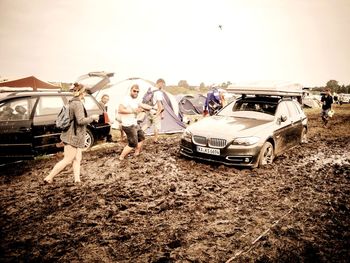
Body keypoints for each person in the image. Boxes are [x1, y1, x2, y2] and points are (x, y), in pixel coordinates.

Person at [44, 83, 99, 184]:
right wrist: (93, 118)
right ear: (81, 92)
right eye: (85, 91)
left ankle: (77, 180)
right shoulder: (77, 104)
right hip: (73, 136)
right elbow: (81, 121)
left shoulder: (72, 102)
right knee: (68, 159)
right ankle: (49, 177)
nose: (86, 93)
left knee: (77, 158)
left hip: (74, 135)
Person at [118, 84, 152, 160]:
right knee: (132, 143)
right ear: (131, 90)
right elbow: (120, 110)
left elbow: (142, 105)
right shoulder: (126, 99)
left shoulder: (136, 99)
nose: (136, 93)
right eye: (134, 91)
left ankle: (136, 153)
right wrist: (133, 111)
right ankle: (121, 157)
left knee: (141, 138)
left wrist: (152, 108)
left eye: (137, 91)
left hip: (134, 123)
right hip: (128, 125)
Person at [142, 78, 165, 143]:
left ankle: (139, 135)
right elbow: (159, 105)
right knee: (157, 125)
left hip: (148, 110)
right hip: (155, 111)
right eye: (162, 84)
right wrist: (159, 113)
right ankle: (155, 140)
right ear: (160, 83)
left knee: (147, 124)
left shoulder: (151, 90)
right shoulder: (158, 92)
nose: (162, 86)